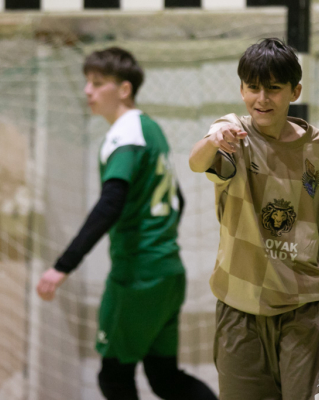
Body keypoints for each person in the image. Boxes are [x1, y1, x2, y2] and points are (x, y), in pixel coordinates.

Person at [189, 38, 319, 400]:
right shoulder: (232, 135)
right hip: (239, 311)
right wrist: (213, 140)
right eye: (253, 88)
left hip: (302, 311)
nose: (262, 99)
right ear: (242, 90)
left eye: (273, 88)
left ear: (295, 91)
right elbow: (197, 162)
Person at [37, 47, 218, 400]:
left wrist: (62, 266)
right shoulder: (151, 129)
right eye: (87, 82)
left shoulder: (125, 135)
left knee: (114, 378)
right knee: (164, 377)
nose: (87, 90)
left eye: (97, 83)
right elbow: (178, 200)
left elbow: (110, 204)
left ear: (123, 89)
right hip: (167, 271)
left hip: (137, 275)